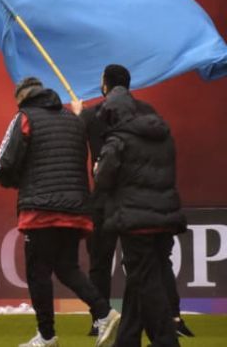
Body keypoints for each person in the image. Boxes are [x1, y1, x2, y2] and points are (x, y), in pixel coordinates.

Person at [0, 76, 120, 347]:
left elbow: (5, 163)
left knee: (38, 272)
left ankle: (47, 336)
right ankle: (104, 312)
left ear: (22, 98)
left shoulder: (24, 118)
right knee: (66, 268)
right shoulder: (73, 121)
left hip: (41, 209)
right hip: (76, 208)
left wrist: (12, 182)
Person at [83, 65, 193, 339]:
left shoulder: (115, 136)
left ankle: (163, 338)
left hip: (129, 213)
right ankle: (132, 337)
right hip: (163, 211)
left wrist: (98, 168)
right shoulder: (158, 128)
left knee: (138, 276)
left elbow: (105, 176)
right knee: (144, 273)